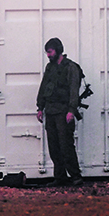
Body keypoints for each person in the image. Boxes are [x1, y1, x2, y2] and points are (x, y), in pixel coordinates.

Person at [36, 37, 83, 186]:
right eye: (47, 53)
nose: (48, 55)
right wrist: (40, 107)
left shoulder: (71, 68)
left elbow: (74, 91)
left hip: (63, 112)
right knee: (54, 147)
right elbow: (44, 88)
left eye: (50, 52)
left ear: (58, 50)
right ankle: (60, 177)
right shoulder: (50, 68)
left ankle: (75, 176)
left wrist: (71, 110)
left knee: (66, 145)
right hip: (50, 111)